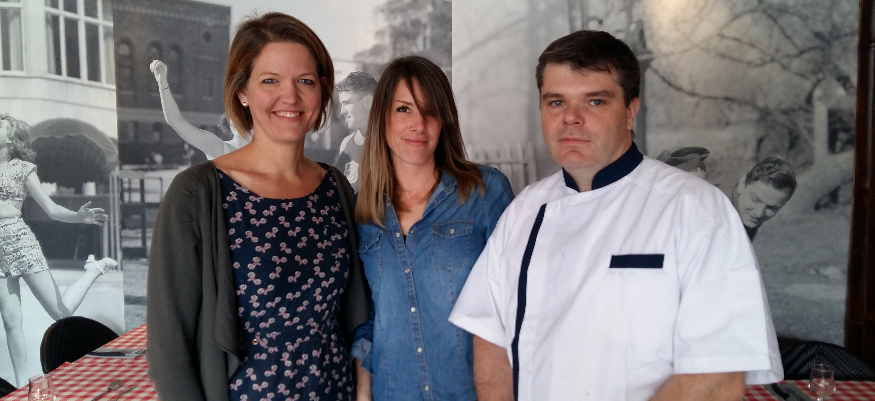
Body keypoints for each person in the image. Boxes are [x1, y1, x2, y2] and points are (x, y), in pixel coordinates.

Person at [448, 30, 782, 400]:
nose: (571, 118)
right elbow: (489, 334)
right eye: (556, 102)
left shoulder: (699, 209)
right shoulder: (524, 210)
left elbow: (717, 376)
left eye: (595, 101)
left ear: (630, 111)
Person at [146, 13, 368, 400]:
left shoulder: (335, 188)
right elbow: (169, 353)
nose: (291, 96)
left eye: (305, 80)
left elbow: (356, 314)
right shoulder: (196, 194)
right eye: (270, 81)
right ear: (242, 92)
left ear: (321, 91)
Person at [352, 56, 513, 400]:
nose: (419, 125)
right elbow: (368, 319)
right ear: (381, 118)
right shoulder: (363, 213)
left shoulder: (484, 192)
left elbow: (513, 304)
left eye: (431, 112)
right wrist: (363, 392)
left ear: (444, 121)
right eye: (403, 110)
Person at [0, 114, 116, 387]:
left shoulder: (22, 169)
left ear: (10, 138)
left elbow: (51, 209)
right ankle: (21, 387)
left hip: (18, 241)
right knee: (11, 320)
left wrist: (78, 216)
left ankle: (93, 270)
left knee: (60, 313)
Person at [150, 60, 251, 159]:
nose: (240, 119)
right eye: (236, 112)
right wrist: (163, 83)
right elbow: (175, 120)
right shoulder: (219, 149)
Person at [731, 157, 796, 241]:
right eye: (755, 199)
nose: (759, 214)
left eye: (771, 208)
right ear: (742, 184)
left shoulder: (744, 213)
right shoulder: (718, 214)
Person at [334, 71, 377, 192]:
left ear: (368, 102)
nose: (342, 111)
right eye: (341, 104)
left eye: (347, 103)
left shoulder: (392, 144)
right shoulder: (346, 144)